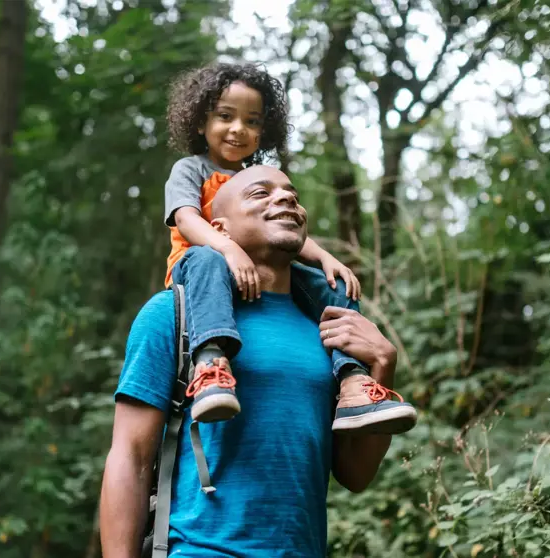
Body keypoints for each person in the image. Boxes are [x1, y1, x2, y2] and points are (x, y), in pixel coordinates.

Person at [100, 165, 411, 556]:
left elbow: (355, 475)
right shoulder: (172, 314)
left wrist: (383, 365)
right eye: (260, 193)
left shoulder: (332, 330)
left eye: (292, 195)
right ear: (221, 229)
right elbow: (130, 457)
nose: (285, 198)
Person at [162, 61, 415, 433]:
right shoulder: (191, 169)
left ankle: (353, 382)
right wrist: (228, 249)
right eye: (225, 116)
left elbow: (286, 233)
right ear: (201, 122)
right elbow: (186, 219)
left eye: (252, 121)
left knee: (334, 286)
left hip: (258, 271)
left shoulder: (259, 177)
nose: (238, 129)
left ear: (264, 132)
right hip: (202, 271)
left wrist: (327, 259)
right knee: (205, 258)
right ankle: (211, 364)